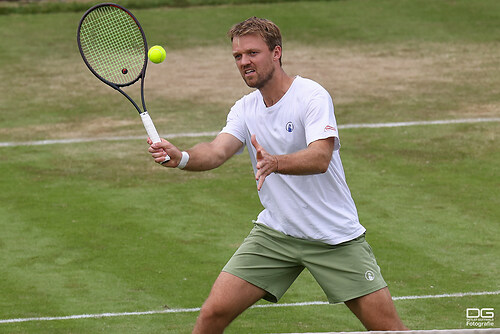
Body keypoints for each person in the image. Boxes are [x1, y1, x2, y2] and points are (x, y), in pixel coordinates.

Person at [148, 16, 408, 333]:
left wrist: (275, 162)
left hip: (332, 236)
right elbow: (217, 151)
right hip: (277, 234)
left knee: (387, 329)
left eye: (252, 53)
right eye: (238, 56)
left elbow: (320, 156)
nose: (244, 62)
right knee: (212, 314)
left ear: (276, 53)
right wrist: (183, 157)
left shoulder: (311, 96)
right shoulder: (245, 108)